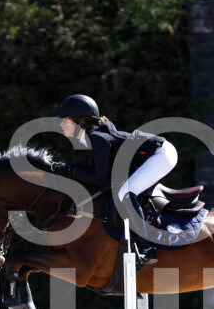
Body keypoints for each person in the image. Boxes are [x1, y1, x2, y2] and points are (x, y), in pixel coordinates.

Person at [56, 94, 177, 264]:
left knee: (125, 193)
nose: (61, 124)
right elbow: (101, 175)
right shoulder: (93, 136)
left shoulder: (97, 138)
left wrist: (71, 170)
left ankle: (146, 247)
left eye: (65, 120)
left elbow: (101, 179)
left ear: (80, 121)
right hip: (154, 154)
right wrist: (70, 170)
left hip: (161, 155)